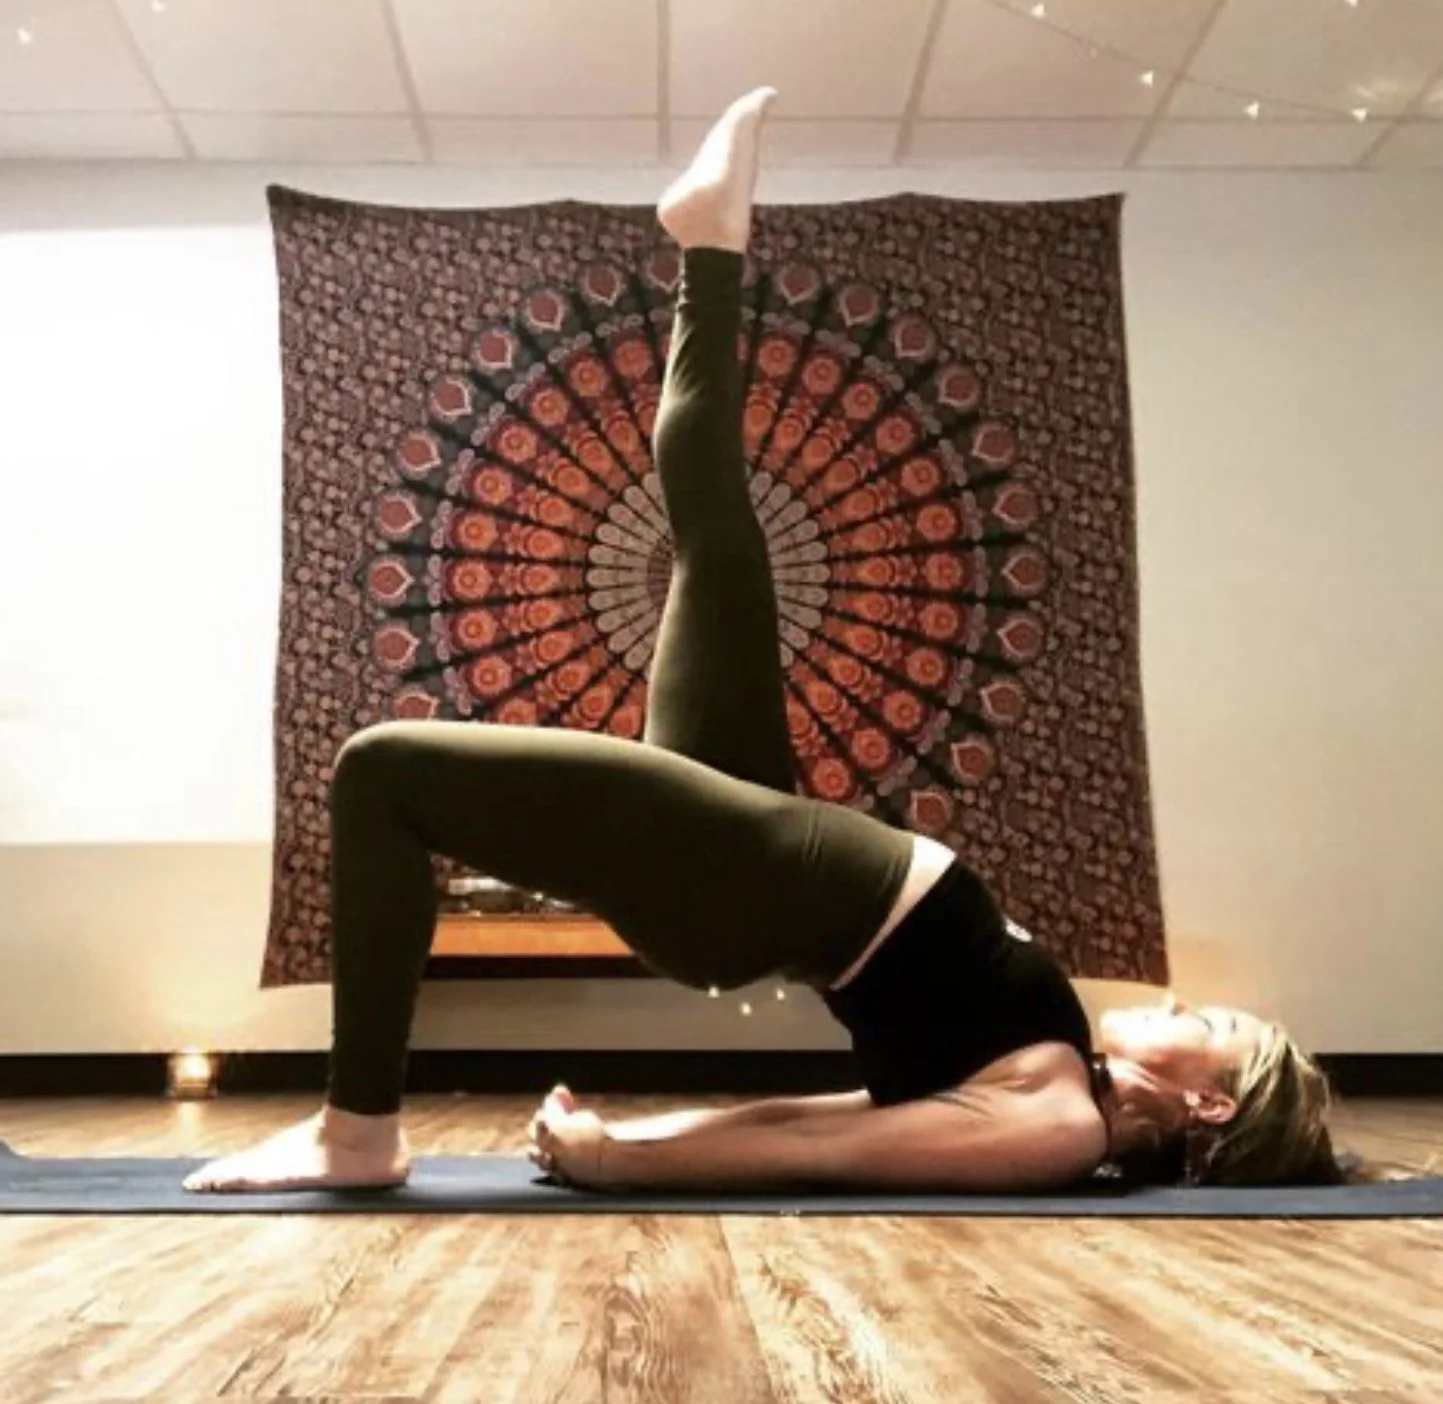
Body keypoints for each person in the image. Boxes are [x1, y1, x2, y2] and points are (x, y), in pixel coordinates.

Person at [184, 87, 1340, 1197]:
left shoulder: (1052, 1125)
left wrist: (621, 1158)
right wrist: (630, 1135)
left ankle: (357, 1129)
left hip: (737, 889)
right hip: (763, 856)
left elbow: (823, 1152)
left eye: (1208, 1031)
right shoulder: (1058, 1078)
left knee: (382, 771)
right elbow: (835, 1117)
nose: (1187, 1006)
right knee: (719, 549)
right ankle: (710, 246)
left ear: (1211, 1107)